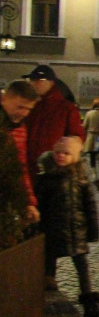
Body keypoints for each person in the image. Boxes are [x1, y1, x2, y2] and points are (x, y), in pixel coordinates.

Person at [36, 136, 99, 317]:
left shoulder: (80, 178)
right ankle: (45, 293)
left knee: (82, 267)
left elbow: (89, 205)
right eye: (58, 152)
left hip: (76, 231)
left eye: (66, 153)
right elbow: (40, 204)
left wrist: (93, 230)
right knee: (47, 262)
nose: (61, 156)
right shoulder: (46, 178)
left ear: (75, 156)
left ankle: (90, 304)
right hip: (51, 229)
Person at [22, 64, 86, 174]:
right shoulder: (31, 105)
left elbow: (77, 137)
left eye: (39, 80)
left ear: (51, 83)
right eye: (32, 80)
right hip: (27, 166)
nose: (33, 83)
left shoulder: (66, 108)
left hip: (54, 169)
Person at [0, 80, 42, 238]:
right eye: (20, 107)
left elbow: (18, 167)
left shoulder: (19, 127)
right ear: (4, 99)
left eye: (28, 109)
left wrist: (27, 203)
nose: (24, 113)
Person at [83, 98, 99, 169]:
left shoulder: (89, 114)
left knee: (92, 156)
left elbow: (85, 126)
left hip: (91, 137)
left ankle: (94, 173)